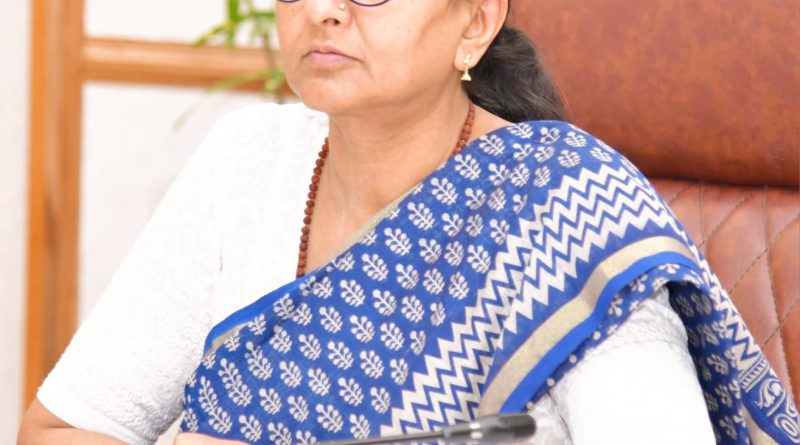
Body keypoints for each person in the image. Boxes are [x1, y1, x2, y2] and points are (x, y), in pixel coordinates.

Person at [18, 0, 799, 444]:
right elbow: (63, 428)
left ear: (475, 22)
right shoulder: (246, 160)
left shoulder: (566, 213)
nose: (322, 11)